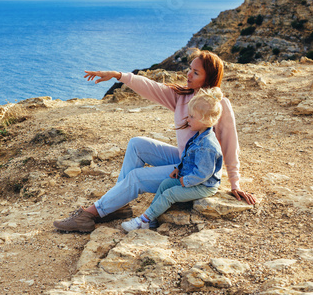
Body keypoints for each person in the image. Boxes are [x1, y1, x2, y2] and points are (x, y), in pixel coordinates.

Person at [53, 49, 256, 233]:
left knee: (137, 177)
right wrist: (118, 75)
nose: (188, 75)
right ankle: (118, 205)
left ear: (209, 78)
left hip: (195, 171)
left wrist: (235, 184)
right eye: (190, 69)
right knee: (136, 144)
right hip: (182, 158)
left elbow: (230, 145)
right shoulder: (182, 97)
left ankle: (90, 214)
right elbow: (151, 87)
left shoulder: (219, 105)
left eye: (196, 73)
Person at [121, 87, 223, 232]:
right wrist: (179, 169)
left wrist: (186, 181)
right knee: (165, 184)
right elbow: (188, 158)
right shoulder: (199, 136)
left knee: (170, 194)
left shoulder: (207, 146)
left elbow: (204, 173)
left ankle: (144, 220)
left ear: (206, 119)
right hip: (191, 178)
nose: (188, 119)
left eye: (192, 117)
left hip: (204, 186)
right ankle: (152, 220)